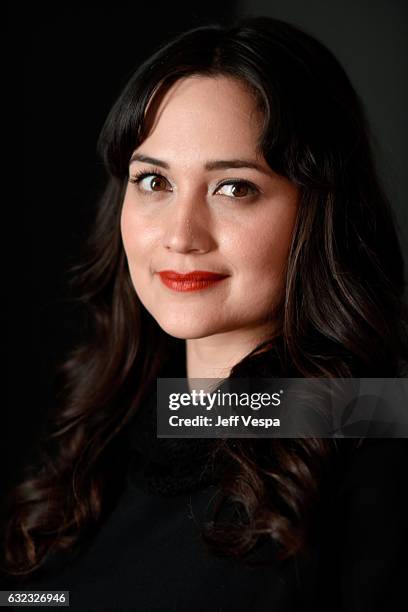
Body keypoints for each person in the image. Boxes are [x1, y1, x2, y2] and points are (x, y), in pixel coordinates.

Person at [2, 15, 408, 611]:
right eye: (153, 181)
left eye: (234, 188)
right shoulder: (119, 425)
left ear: (317, 212)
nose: (182, 235)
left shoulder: (372, 432)